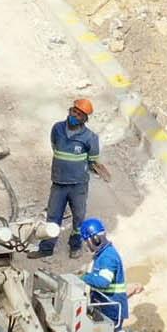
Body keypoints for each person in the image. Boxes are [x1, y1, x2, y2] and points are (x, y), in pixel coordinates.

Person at [35, 97, 104, 258]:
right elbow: (54, 146)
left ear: (84, 119)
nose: (75, 115)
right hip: (58, 182)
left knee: (78, 217)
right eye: (74, 111)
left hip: (78, 185)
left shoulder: (90, 138)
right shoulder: (57, 129)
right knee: (53, 216)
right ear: (70, 110)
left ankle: (75, 245)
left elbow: (92, 159)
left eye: (79, 114)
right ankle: (46, 248)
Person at [76, 218, 129, 328]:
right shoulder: (103, 253)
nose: (86, 245)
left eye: (86, 241)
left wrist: (84, 277)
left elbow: (103, 282)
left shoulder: (107, 257)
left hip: (112, 310)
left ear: (94, 239)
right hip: (106, 306)